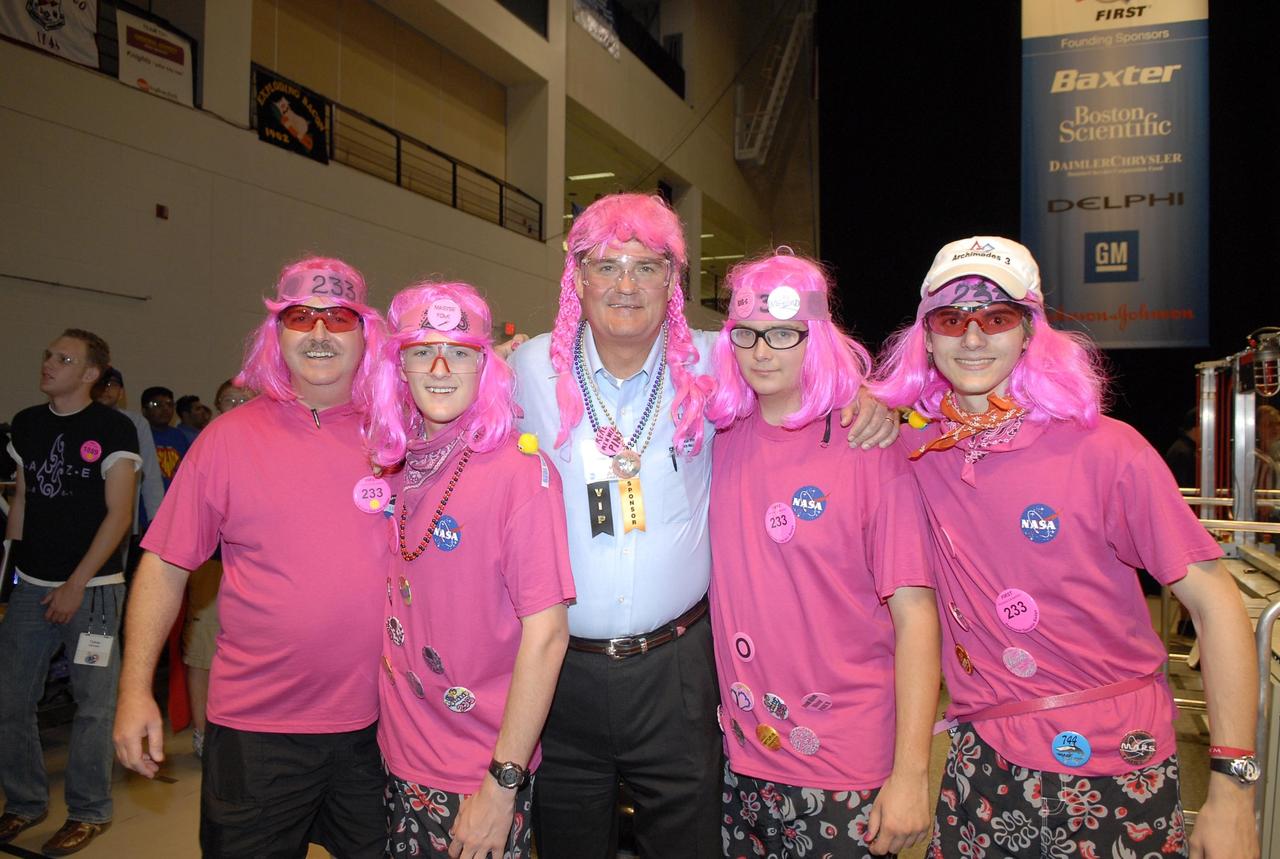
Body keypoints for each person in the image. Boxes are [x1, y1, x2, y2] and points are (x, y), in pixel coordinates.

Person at [510, 192, 898, 858]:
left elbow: (802, 360)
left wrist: (866, 399)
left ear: (674, 280)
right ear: (577, 277)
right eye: (606, 264)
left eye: (648, 265)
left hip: (680, 670)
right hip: (561, 677)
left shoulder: (719, 360)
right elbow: (444, 388)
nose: (626, 283)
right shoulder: (528, 369)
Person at [873, 236, 1259, 858]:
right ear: (926, 336)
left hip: (1117, 768)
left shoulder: (1110, 451)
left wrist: (1233, 787)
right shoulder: (911, 452)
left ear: (1030, 331)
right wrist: (868, 407)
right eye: (950, 318)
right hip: (984, 765)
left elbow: (1216, 606)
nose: (972, 337)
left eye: (996, 318)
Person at [113, 257, 389, 858]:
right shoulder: (227, 440)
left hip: (383, 727)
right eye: (300, 317)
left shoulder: (398, 437)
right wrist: (136, 689)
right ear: (278, 333)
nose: (319, 333)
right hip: (258, 731)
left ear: (365, 333)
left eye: (337, 317)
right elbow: (164, 566)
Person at [705, 252, 940, 858]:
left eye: (784, 334)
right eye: (748, 335)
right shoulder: (720, 441)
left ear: (817, 339)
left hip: (844, 769)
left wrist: (911, 774)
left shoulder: (868, 445)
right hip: (740, 761)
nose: (763, 351)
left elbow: (915, 615)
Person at [368, 281, 575, 857]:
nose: (440, 367)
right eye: (420, 350)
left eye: (460, 351)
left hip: (472, 775)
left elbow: (548, 634)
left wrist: (500, 785)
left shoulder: (520, 474)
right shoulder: (396, 463)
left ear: (486, 368)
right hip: (394, 755)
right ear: (399, 366)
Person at [0, 329, 140, 856]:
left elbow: (120, 514)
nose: (49, 363)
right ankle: (24, 802)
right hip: (31, 588)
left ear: (89, 375)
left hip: (95, 592)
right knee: (10, 700)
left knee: (93, 707)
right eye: (48, 354)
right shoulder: (28, 424)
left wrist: (75, 584)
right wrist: (10, 578)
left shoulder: (113, 429)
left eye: (64, 358)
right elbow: (22, 502)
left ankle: (87, 810)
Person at [181, 379, 256, 759]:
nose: (237, 404)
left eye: (245, 399)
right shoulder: (207, 447)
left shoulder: (270, 449)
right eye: (229, 399)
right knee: (202, 651)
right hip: (211, 568)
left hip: (254, 574)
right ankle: (201, 732)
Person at [91, 367, 165, 568]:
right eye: (101, 384)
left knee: (115, 573)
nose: (106, 389)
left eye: (113, 385)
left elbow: (150, 474)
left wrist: (156, 521)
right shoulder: (81, 420)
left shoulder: (135, 422)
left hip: (120, 516)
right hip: (83, 514)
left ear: (122, 392)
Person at [139, 386, 189, 489]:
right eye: (157, 404)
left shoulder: (179, 436)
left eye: (169, 404)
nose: (165, 409)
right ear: (144, 410)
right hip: (147, 501)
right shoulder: (139, 435)